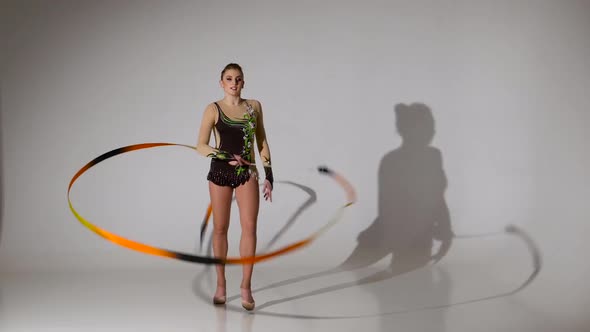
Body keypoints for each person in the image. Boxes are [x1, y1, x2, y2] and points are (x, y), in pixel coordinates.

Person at [196, 63, 273, 310]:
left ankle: (246, 286)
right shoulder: (213, 109)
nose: (234, 83)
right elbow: (200, 145)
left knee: (249, 227)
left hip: (246, 172)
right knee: (220, 228)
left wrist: (269, 174)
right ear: (221, 83)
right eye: (229, 78)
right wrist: (224, 155)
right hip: (220, 172)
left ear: (243, 82)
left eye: (238, 79)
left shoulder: (254, 107)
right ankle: (221, 284)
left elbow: (261, 141)